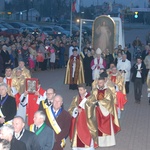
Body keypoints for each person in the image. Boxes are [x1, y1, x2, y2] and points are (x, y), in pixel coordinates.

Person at [85, 77, 120, 147]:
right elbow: (91, 98)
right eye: (98, 83)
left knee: (106, 127)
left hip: (105, 112)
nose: (99, 84)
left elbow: (109, 101)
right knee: (96, 126)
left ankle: (107, 142)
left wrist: (99, 103)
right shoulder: (94, 90)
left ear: (104, 82)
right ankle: (98, 142)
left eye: (101, 83)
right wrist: (93, 102)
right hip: (96, 111)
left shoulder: (108, 91)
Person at [68, 84, 97, 150]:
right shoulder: (76, 98)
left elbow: (92, 108)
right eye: (78, 90)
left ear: (85, 90)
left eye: (81, 90)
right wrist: (76, 109)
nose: (79, 92)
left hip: (87, 121)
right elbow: (71, 108)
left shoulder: (91, 98)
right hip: (78, 121)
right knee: (77, 134)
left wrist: (84, 109)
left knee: (87, 134)